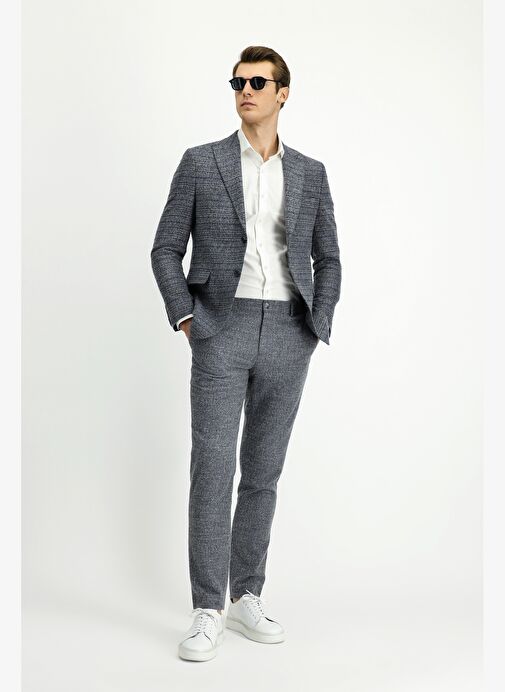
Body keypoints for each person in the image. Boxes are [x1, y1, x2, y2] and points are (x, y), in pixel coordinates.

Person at [151, 45, 342, 662]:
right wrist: (187, 316)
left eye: (258, 82)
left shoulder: (310, 172)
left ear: (283, 92)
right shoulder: (201, 162)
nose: (246, 92)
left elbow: (329, 256)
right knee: (212, 468)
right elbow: (164, 247)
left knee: (263, 472)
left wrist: (317, 323)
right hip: (220, 326)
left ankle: (246, 595)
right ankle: (208, 606)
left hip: (289, 330)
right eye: (238, 82)